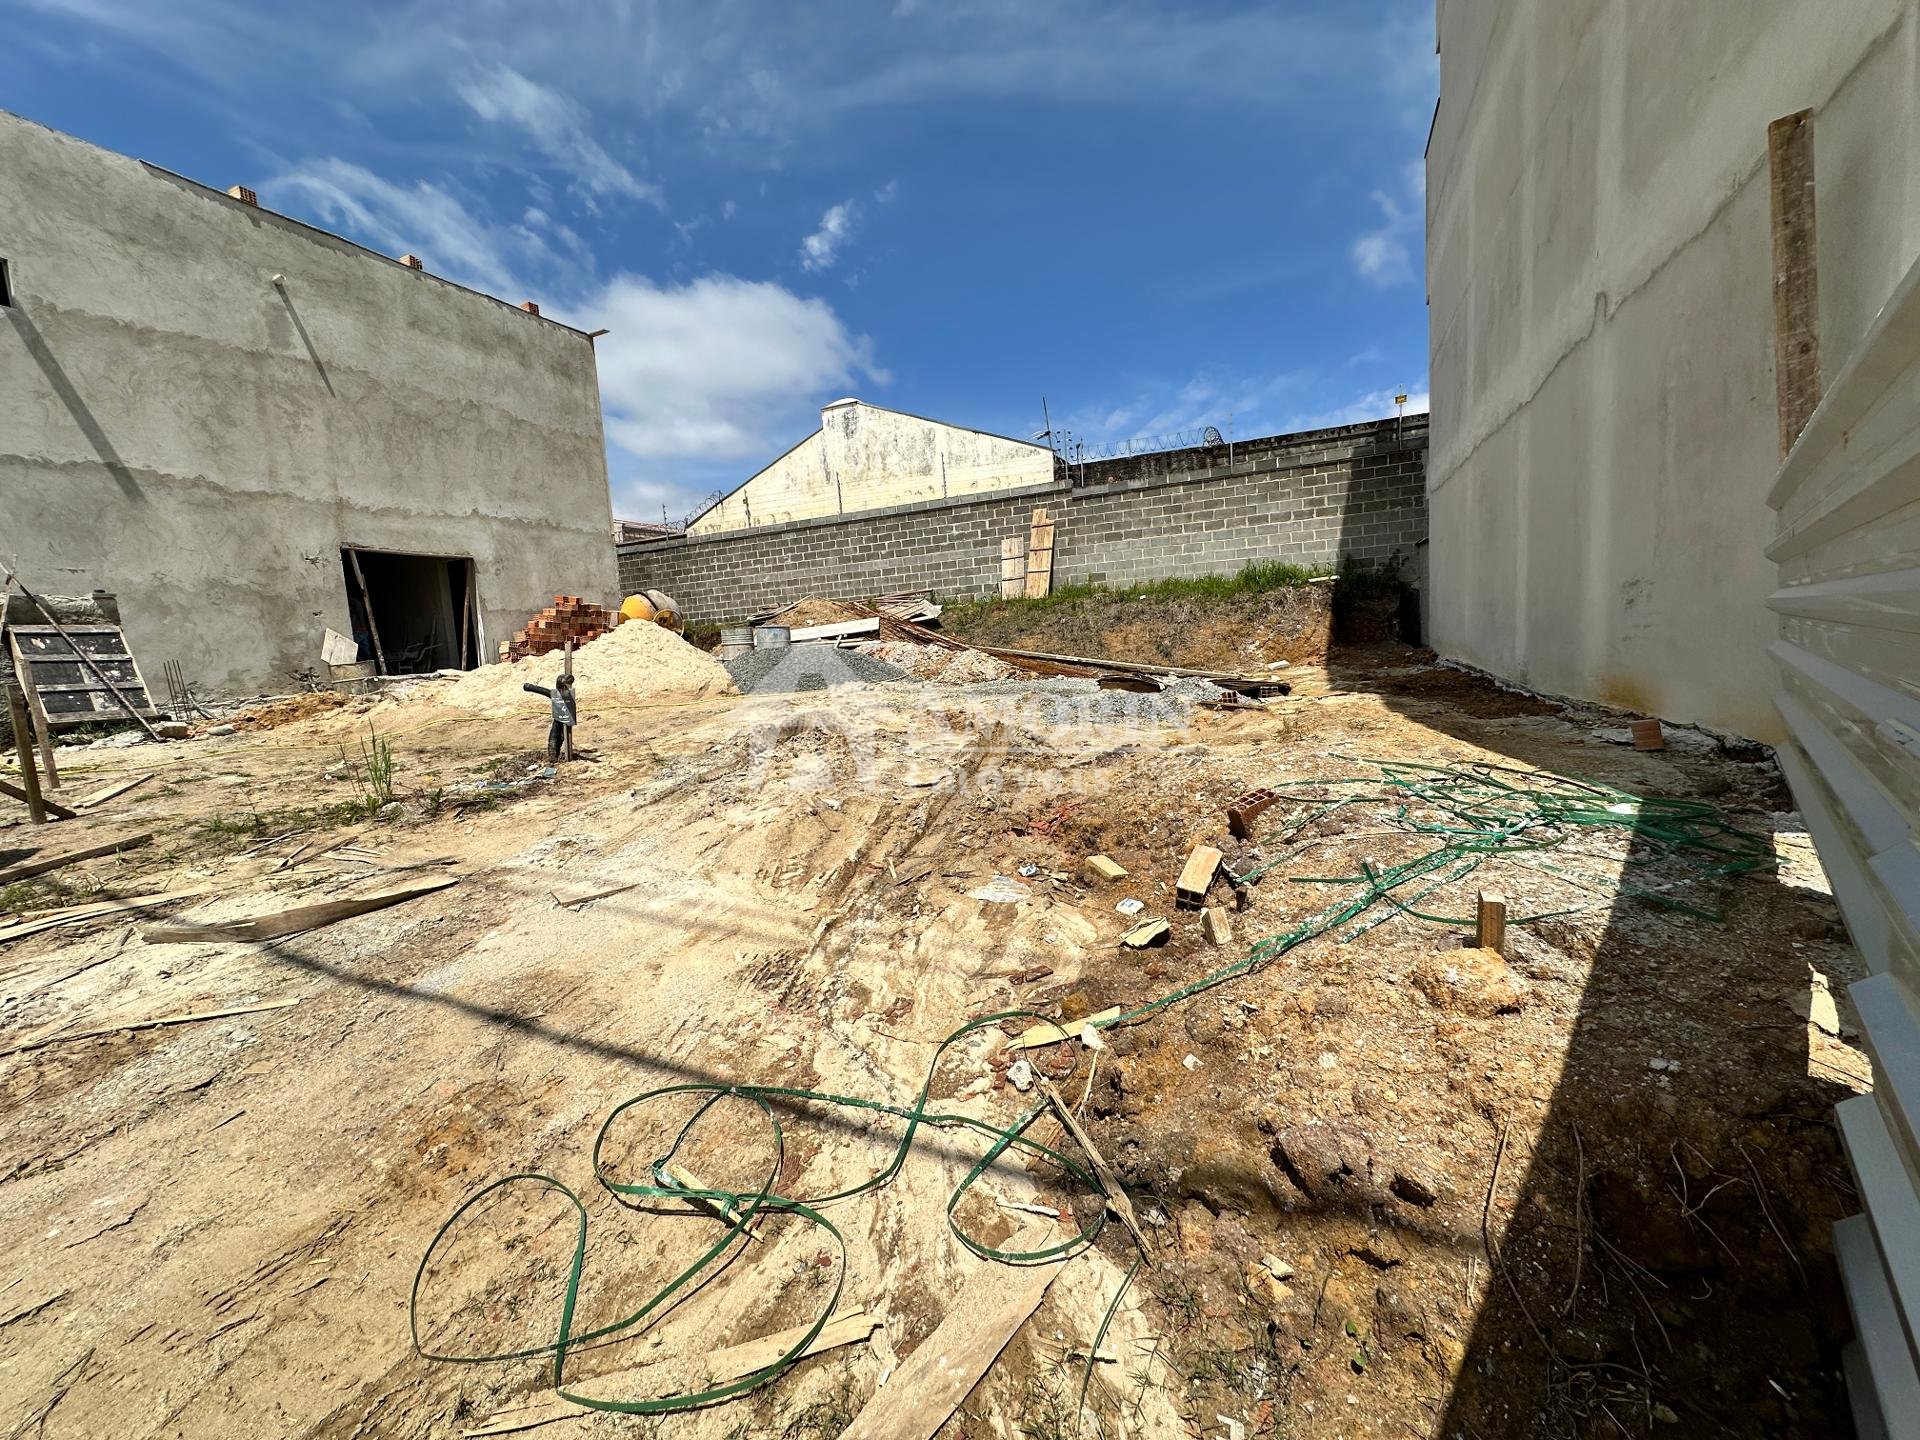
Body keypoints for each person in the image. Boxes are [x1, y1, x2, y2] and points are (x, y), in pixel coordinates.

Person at [522, 671, 577, 761]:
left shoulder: (567, 695)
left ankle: (554, 755)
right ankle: (553, 756)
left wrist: (529, 687)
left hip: (565, 717)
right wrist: (529, 687)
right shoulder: (556, 694)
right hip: (559, 716)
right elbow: (542, 690)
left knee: (561, 736)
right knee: (555, 735)